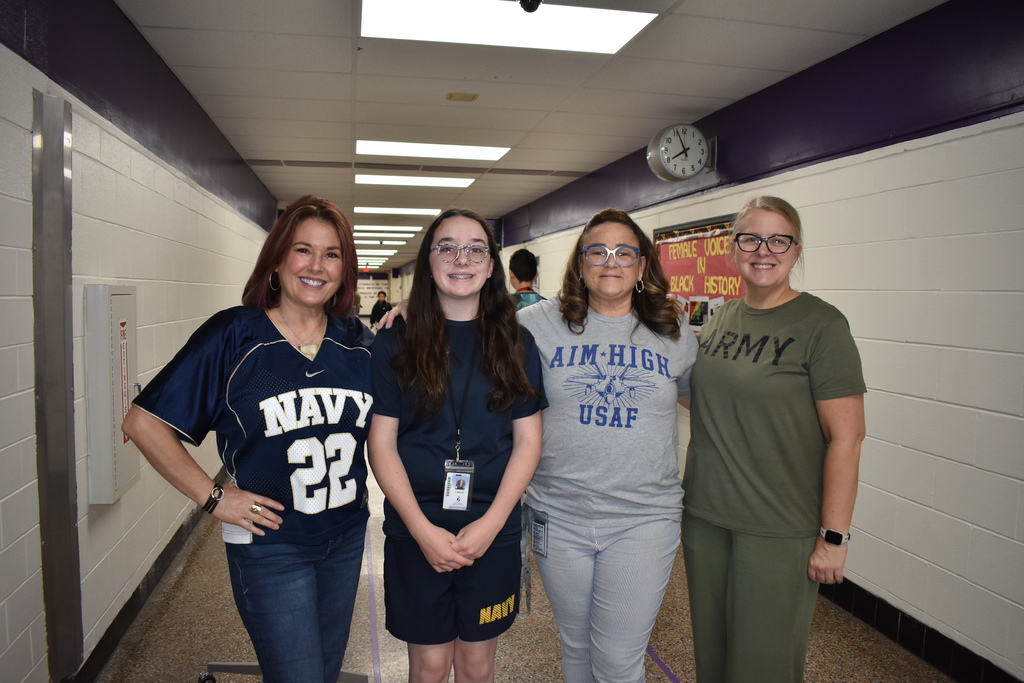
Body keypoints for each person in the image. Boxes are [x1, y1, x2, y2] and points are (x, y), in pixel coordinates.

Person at [121, 195, 373, 683]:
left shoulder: (358, 343)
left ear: (346, 270)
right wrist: (214, 497)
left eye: (332, 254)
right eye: (303, 250)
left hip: (344, 538)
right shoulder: (235, 335)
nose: (316, 266)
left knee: (324, 672)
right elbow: (142, 423)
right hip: (271, 545)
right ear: (277, 260)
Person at [680, 196, 866, 682]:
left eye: (778, 239)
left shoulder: (822, 326)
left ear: (796, 250)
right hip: (706, 517)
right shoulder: (719, 319)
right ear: (733, 248)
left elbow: (847, 437)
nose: (764, 250)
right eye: (751, 238)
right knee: (713, 664)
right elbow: (707, 400)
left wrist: (834, 537)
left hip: (778, 527)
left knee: (763, 668)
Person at [518, 208, 698, 682]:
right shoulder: (537, 322)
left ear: (642, 267)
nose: (610, 262)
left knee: (618, 660)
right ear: (580, 265)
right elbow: (465, 319)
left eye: (625, 253)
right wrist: (416, 308)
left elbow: (703, 402)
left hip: (643, 517)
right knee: (576, 648)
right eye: (597, 252)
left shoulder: (673, 329)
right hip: (558, 513)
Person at [367, 208, 545, 683]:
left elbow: (529, 441)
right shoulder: (395, 343)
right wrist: (422, 530)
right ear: (428, 262)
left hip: (493, 528)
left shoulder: (517, 343)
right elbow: (381, 444)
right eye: (447, 247)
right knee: (428, 666)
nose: (460, 258)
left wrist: (491, 524)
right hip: (416, 528)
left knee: (475, 663)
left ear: (491, 266)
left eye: (475, 249)